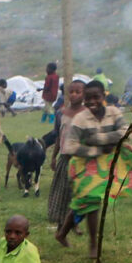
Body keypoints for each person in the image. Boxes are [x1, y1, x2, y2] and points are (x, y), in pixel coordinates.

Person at [53, 81, 132, 259]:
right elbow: (69, 146)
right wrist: (98, 149)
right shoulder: (80, 119)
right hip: (83, 165)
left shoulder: (113, 113)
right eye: (88, 98)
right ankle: (93, 244)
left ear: (103, 97)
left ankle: (61, 234)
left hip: (106, 164)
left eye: (96, 97)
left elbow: (126, 131)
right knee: (92, 203)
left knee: (82, 203)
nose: (92, 101)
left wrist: (98, 139)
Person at [47, 80, 87, 226]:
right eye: (71, 92)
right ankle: (60, 224)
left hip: (81, 160)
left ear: (85, 94)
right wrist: (53, 157)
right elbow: (59, 136)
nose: (74, 95)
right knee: (62, 193)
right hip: (65, 159)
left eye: (78, 92)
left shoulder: (88, 115)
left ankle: (73, 224)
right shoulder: (60, 114)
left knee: (77, 194)